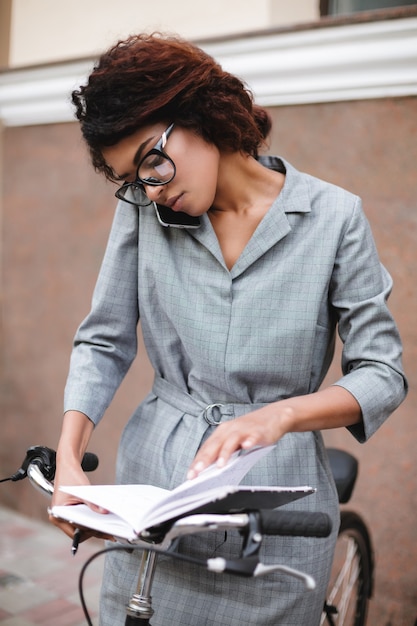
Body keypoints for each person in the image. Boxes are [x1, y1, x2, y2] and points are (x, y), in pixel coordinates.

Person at [50, 32, 407, 626]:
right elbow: (104, 338)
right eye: (133, 179)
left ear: (198, 113)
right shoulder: (144, 210)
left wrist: (280, 415)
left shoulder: (334, 216)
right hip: (158, 489)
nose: (152, 187)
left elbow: (382, 373)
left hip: (272, 499)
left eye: (151, 160)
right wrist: (68, 460)